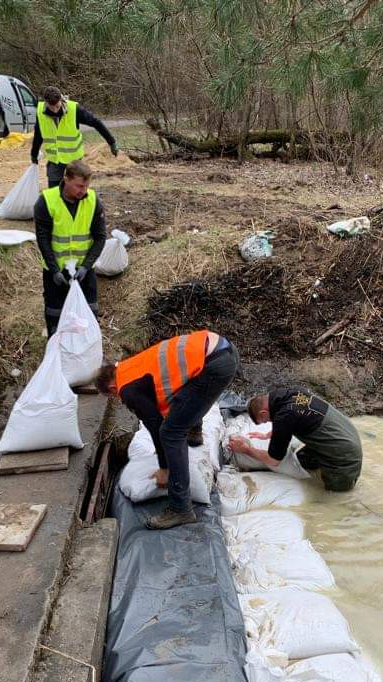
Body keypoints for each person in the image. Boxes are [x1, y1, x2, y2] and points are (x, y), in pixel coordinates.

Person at [96, 331, 238, 529]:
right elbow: (175, 390)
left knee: (171, 432)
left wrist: (165, 468)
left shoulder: (127, 389)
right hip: (222, 349)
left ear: (111, 388)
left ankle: (180, 508)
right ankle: (194, 432)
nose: (118, 399)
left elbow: (155, 425)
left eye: (114, 397)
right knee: (183, 405)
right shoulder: (130, 367)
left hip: (213, 365)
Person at [229, 388, 363, 492]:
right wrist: (269, 435)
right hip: (346, 435)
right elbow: (297, 416)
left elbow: (273, 461)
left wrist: (245, 449)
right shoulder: (290, 394)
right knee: (303, 461)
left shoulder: (284, 417)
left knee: (335, 498)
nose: (269, 422)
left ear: (263, 412)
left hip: (344, 458)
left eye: (266, 421)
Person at [34, 159, 106, 336]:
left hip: (83, 272)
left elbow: (100, 237)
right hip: (55, 272)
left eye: (86, 186)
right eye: (79, 186)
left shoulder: (93, 201)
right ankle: (57, 354)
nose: (83, 191)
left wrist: (86, 266)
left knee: (88, 315)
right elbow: (43, 239)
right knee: (55, 317)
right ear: (66, 179)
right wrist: (54, 270)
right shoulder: (46, 201)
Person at [30, 86, 118, 188]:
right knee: (54, 191)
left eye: (57, 106)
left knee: (76, 188)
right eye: (51, 107)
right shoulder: (40, 112)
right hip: (55, 159)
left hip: (74, 160)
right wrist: (34, 153)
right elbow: (38, 134)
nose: (54, 110)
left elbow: (96, 123)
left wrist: (112, 142)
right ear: (46, 103)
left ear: (61, 100)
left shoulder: (74, 110)